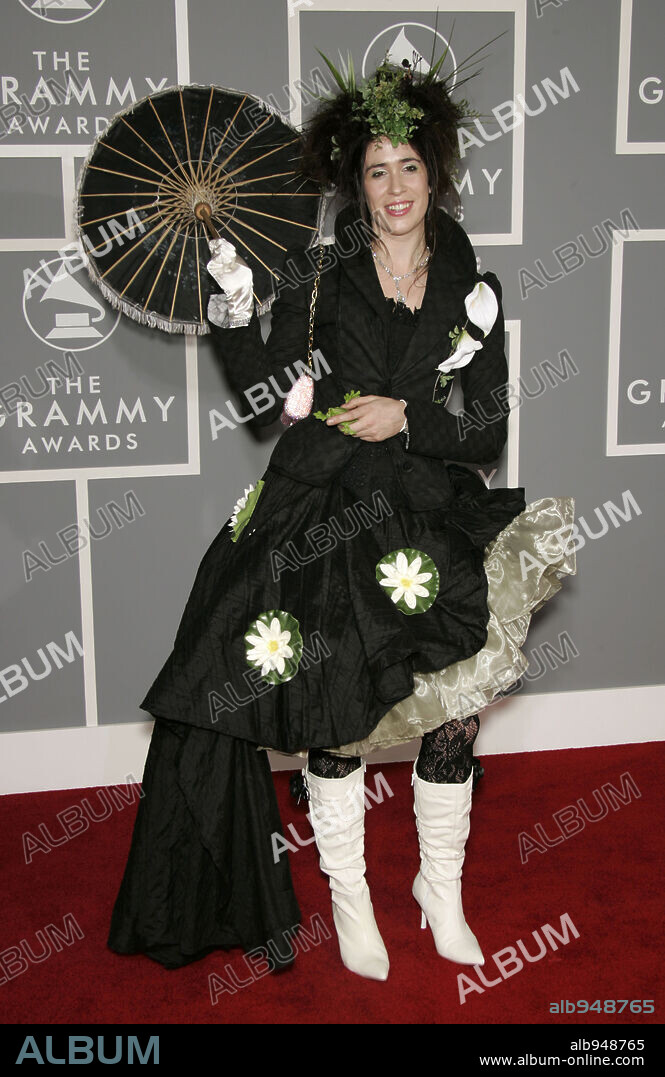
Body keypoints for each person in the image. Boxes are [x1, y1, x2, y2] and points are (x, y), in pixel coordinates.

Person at [107, 51, 576, 981]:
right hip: (326, 505)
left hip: (423, 504)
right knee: (335, 710)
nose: (395, 187)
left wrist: (411, 419)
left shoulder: (472, 279)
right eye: (375, 169)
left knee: (454, 717)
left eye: (409, 166)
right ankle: (350, 893)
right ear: (352, 181)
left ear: (432, 170)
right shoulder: (317, 267)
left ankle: (438, 889)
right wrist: (238, 312)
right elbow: (258, 396)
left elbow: (487, 428)